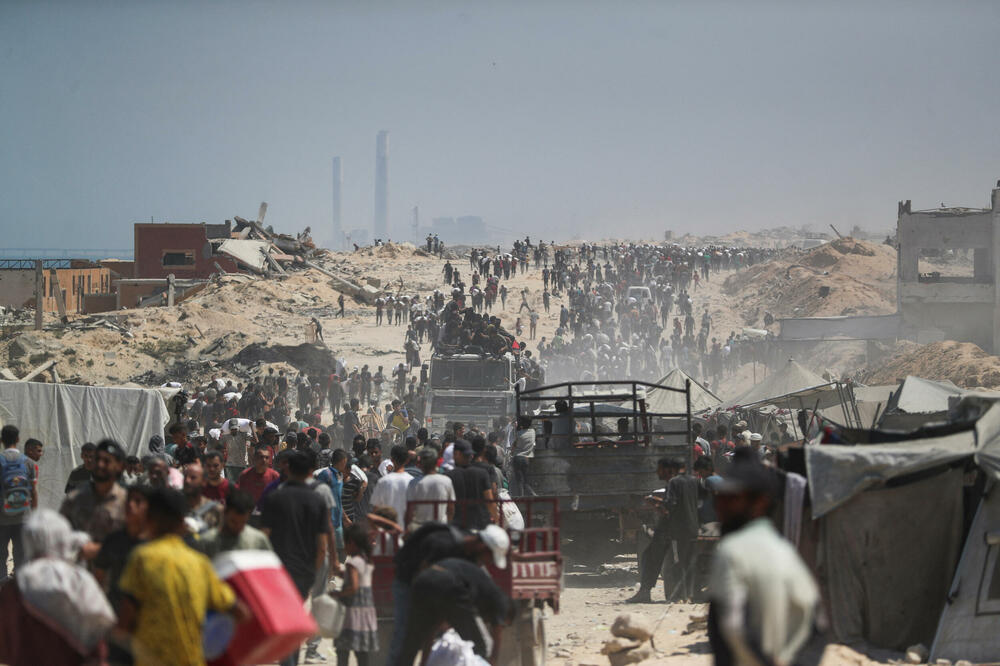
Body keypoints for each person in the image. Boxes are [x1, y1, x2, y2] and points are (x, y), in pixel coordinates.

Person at [708, 453, 820, 666]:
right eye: (719, 498)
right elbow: (816, 627)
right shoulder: (787, 553)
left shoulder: (732, 551)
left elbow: (733, 626)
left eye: (731, 499)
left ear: (759, 502)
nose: (720, 507)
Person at [117, 487, 249, 666]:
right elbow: (240, 612)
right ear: (182, 523)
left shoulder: (142, 558)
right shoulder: (199, 563)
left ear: (148, 519)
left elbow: (125, 621)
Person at [0, 509, 115, 666]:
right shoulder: (79, 580)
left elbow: (5, 646)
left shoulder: (16, 585)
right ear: (64, 538)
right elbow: (99, 630)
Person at [387, 522, 510, 666]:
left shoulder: (469, 557)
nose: (486, 563)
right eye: (489, 557)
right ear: (483, 547)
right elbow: (422, 577)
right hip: (408, 583)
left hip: (433, 588)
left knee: (423, 633)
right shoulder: (443, 542)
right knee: (405, 637)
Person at [259, 450, 331, 666]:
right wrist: (311, 574)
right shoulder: (317, 501)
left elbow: (263, 538)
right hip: (303, 573)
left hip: (278, 572)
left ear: (288, 469)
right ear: (311, 471)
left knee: (283, 623)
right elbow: (322, 547)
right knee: (293, 622)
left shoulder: (274, 498)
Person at [402, 557, 511, 665]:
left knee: (414, 642)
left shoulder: (474, 590)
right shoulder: (497, 600)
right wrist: (493, 661)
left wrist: (423, 663)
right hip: (445, 581)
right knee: (481, 646)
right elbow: (497, 637)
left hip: (423, 580)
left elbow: (431, 630)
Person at [61, 438, 126, 547]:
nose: (100, 465)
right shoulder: (73, 498)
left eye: (107, 461)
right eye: (98, 460)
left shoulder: (126, 500)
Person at [332, 523, 379, 666]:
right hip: (365, 615)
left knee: (342, 651)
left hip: (351, 615)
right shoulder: (367, 560)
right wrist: (341, 574)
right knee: (362, 654)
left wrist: (338, 594)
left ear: (351, 542)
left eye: (345, 544)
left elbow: (353, 587)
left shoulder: (352, 562)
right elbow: (359, 578)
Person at [0, 425, 36, 581]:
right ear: (18, 439)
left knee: (1, 554)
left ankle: (2, 586)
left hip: (2, 518)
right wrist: (34, 514)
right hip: (23, 516)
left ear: (1, 441)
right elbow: (34, 491)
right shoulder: (28, 463)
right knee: (21, 555)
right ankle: (19, 589)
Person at [198, 489, 272, 558]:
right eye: (233, 521)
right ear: (224, 513)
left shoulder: (258, 540)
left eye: (242, 522)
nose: (238, 526)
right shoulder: (207, 542)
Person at [445, 439, 496, 529]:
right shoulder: (482, 473)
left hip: (458, 525)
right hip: (481, 524)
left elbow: (450, 507)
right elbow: (490, 501)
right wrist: (497, 520)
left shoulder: (449, 476)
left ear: (456, 454)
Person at [405, 448, 455, 529]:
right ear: (436, 463)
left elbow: (410, 512)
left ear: (420, 464)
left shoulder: (413, 483)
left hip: (420, 529)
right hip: (440, 527)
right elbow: (451, 509)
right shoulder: (446, 481)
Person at [370, 445, 412, 525]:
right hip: (407, 531)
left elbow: (375, 510)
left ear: (392, 459)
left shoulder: (383, 482)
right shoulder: (412, 482)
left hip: (386, 531)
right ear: (407, 460)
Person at [221, 418, 254, 483]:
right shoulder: (226, 436)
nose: (233, 431)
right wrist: (219, 433)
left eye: (235, 429)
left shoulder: (244, 435)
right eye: (232, 429)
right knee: (231, 486)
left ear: (238, 427)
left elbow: (256, 441)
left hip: (242, 465)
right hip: (230, 466)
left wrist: (252, 427)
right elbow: (218, 445)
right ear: (229, 429)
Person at [510, 415, 535, 497]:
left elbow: (514, 446)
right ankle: (533, 494)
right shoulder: (533, 432)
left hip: (518, 458)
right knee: (525, 480)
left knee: (519, 481)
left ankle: (521, 497)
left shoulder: (518, 433)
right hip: (526, 458)